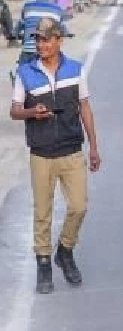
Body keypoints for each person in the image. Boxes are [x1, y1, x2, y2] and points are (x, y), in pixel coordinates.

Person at [10, 18, 102, 294]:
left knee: (79, 206)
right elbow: (14, 110)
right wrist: (31, 113)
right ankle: (43, 265)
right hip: (41, 153)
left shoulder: (75, 70)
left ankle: (65, 250)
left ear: (59, 41)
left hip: (72, 150)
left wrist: (94, 147)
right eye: (38, 39)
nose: (42, 45)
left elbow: (84, 107)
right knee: (42, 213)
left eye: (47, 39)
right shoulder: (25, 73)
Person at [17, 0, 65, 66]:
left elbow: (21, 25)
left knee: (21, 72)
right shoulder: (57, 9)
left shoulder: (27, 6)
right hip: (49, 49)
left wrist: (16, 34)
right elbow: (62, 28)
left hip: (29, 50)